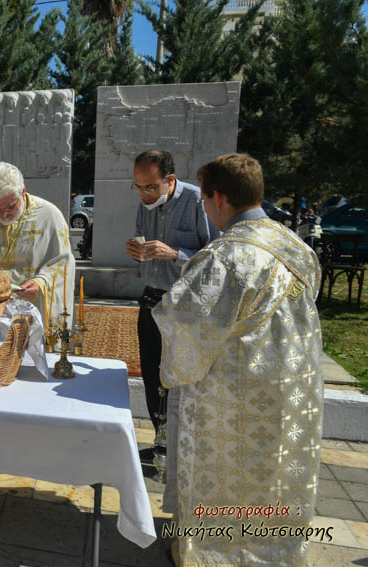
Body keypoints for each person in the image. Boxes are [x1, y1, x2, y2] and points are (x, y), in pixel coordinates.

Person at [152, 153, 323, 567]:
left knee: (229, 472)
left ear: (219, 198)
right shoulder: (295, 245)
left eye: (205, 199)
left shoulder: (223, 257)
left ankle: (219, 553)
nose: (206, 208)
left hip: (234, 394)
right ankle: (275, 551)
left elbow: (183, 321)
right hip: (292, 387)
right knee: (273, 473)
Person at [124, 151, 218, 448]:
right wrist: (136, 251)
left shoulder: (198, 201)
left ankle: (182, 446)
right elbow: (144, 242)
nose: (144, 194)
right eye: (138, 187)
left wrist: (176, 254)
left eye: (151, 187)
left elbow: (216, 256)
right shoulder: (146, 203)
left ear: (170, 179)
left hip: (184, 308)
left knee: (178, 379)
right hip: (150, 301)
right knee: (152, 376)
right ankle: (160, 442)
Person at [0, 161, 75, 328]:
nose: (4, 214)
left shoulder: (49, 215)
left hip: (35, 308)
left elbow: (62, 261)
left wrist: (41, 282)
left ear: (23, 192)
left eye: (11, 206)